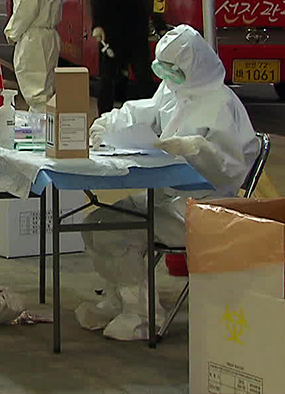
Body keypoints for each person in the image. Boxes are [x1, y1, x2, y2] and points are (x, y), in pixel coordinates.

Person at [79, 24, 257, 341]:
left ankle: (143, 314)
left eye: (174, 69)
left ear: (192, 66)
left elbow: (230, 170)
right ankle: (118, 298)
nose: (167, 75)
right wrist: (109, 123)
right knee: (95, 223)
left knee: (115, 234)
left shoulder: (220, 104)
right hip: (167, 197)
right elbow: (146, 111)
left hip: (203, 209)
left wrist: (196, 149)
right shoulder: (178, 89)